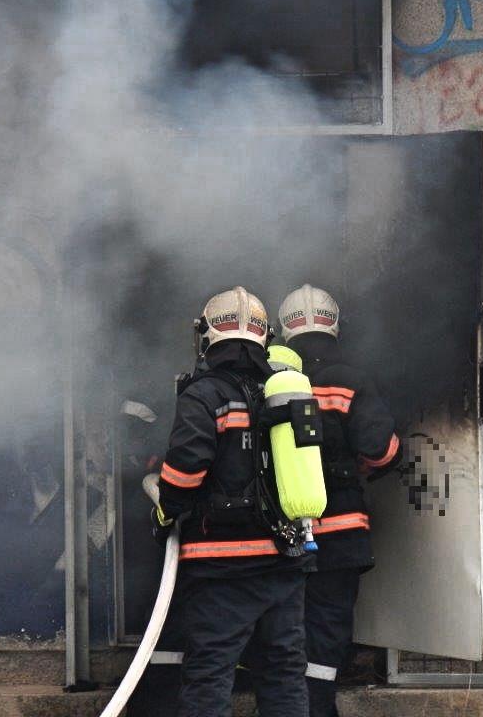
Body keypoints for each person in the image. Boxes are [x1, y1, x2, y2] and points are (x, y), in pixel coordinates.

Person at [149, 286, 311, 717]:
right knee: (283, 671)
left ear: (205, 336)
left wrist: (164, 510)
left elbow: (185, 470)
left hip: (222, 567)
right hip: (284, 560)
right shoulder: (281, 392)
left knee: (210, 673)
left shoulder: (203, 395)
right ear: (266, 337)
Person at [277, 284, 400, 717]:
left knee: (281, 625)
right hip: (341, 531)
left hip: (278, 533)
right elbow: (381, 448)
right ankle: (318, 708)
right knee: (327, 629)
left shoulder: (268, 381)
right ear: (336, 325)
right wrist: (365, 467)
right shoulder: (351, 379)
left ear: (281, 329)